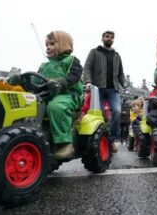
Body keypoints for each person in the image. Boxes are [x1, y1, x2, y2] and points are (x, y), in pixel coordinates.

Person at [9, 31, 83, 159]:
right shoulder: (44, 66)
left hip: (66, 95)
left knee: (56, 107)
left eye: (52, 44)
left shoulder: (71, 61)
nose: (48, 47)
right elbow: (35, 83)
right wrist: (21, 81)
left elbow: (74, 77)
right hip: (45, 96)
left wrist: (60, 83)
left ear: (63, 44)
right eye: (47, 45)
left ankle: (65, 143)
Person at [83, 31, 127, 152]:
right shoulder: (94, 52)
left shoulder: (117, 55)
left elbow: (121, 74)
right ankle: (100, 140)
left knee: (117, 111)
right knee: (100, 114)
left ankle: (112, 139)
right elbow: (87, 68)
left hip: (113, 89)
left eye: (112, 37)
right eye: (107, 36)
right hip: (98, 89)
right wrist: (87, 82)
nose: (109, 38)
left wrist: (125, 86)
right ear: (102, 38)